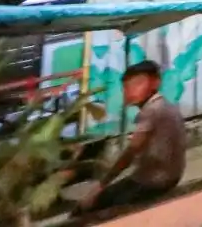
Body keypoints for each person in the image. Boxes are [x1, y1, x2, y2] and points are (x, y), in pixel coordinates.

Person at [79, 60, 186, 212]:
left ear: (155, 83)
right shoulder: (166, 105)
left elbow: (130, 153)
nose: (130, 91)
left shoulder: (151, 110)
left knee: (89, 206)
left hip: (153, 180)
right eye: (127, 87)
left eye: (138, 84)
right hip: (169, 176)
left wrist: (101, 185)